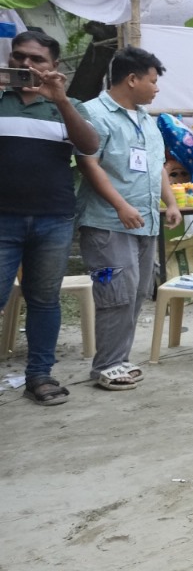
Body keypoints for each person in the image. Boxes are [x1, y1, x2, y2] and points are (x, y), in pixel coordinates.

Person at [0, 30, 99, 404]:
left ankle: (40, 377)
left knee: (43, 300)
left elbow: (89, 145)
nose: (26, 65)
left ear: (54, 67)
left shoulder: (68, 105)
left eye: (36, 59)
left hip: (53, 219)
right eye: (19, 56)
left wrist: (61, 101)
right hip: (2, 218)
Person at [77, 47, 181, 391]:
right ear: (132, 79)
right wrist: (121, 205)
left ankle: (118, 358)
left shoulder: (146, 119)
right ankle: (105, 365)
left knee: (135, 292)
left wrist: (170, 203)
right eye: (152, 81)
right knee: (114, 291)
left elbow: (157, 166)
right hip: (108, 223)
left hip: (146, 223)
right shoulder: (93, 114)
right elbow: (88, 163)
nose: (156, 88)